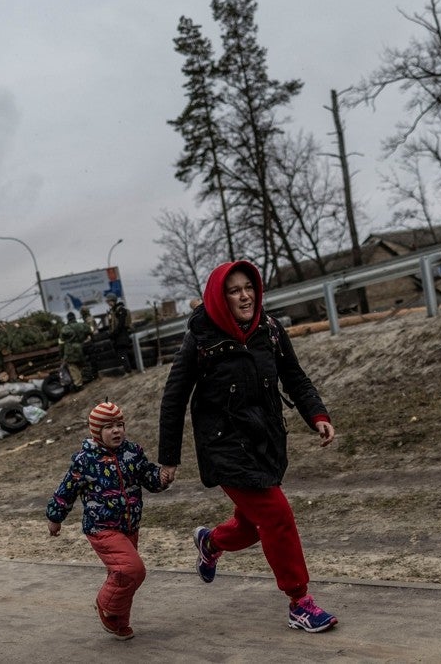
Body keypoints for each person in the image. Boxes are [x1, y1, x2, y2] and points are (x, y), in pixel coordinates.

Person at [157, 260, 340, 634]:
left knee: (256, 524)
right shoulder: (201, 337)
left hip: (265, 440)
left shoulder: (269, 330)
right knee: (276, 516)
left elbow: (294, 376)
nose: (245, 296)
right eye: (235, 290)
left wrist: (317, 414)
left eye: (249, 288)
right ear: (219, 296)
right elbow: (174, 398)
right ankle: (299, 602)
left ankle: (211, 542)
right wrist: (169, 458)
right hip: (223, 446)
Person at [47, 401, 169, 641]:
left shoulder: (132, 452)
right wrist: (54, 517)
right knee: (132, 570)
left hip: (129, 527)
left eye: (120, 425)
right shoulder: (85, 460)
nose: (117, 431)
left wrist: (163, 477)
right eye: (109, 427)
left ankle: (119, 621)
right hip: (101, 529)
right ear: (96, 432)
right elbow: (66, 490)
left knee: (122, 576)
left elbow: (150, 479)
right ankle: (104, 604)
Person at [59, 312, 90, 390]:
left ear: (68, 319)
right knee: (81, 364)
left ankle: (78, 384)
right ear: (74, 317)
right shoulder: (82, 325)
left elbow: (61, 344)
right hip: (80, 348)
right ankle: (84, 380)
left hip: (69, 350)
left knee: (72, 366)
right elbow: (90, 330)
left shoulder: (64, 329)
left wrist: (61, 355)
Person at [105, 293, 134, 373]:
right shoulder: (113, 311)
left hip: (121, 335)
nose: (108, 303)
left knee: (122, 354)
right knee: (122, 353)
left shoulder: (120, 310)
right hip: (117, 336)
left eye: (109, 301)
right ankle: (129, 370)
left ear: (113, 301)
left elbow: (121, 324)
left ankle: (128, 371)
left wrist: (114, 333)